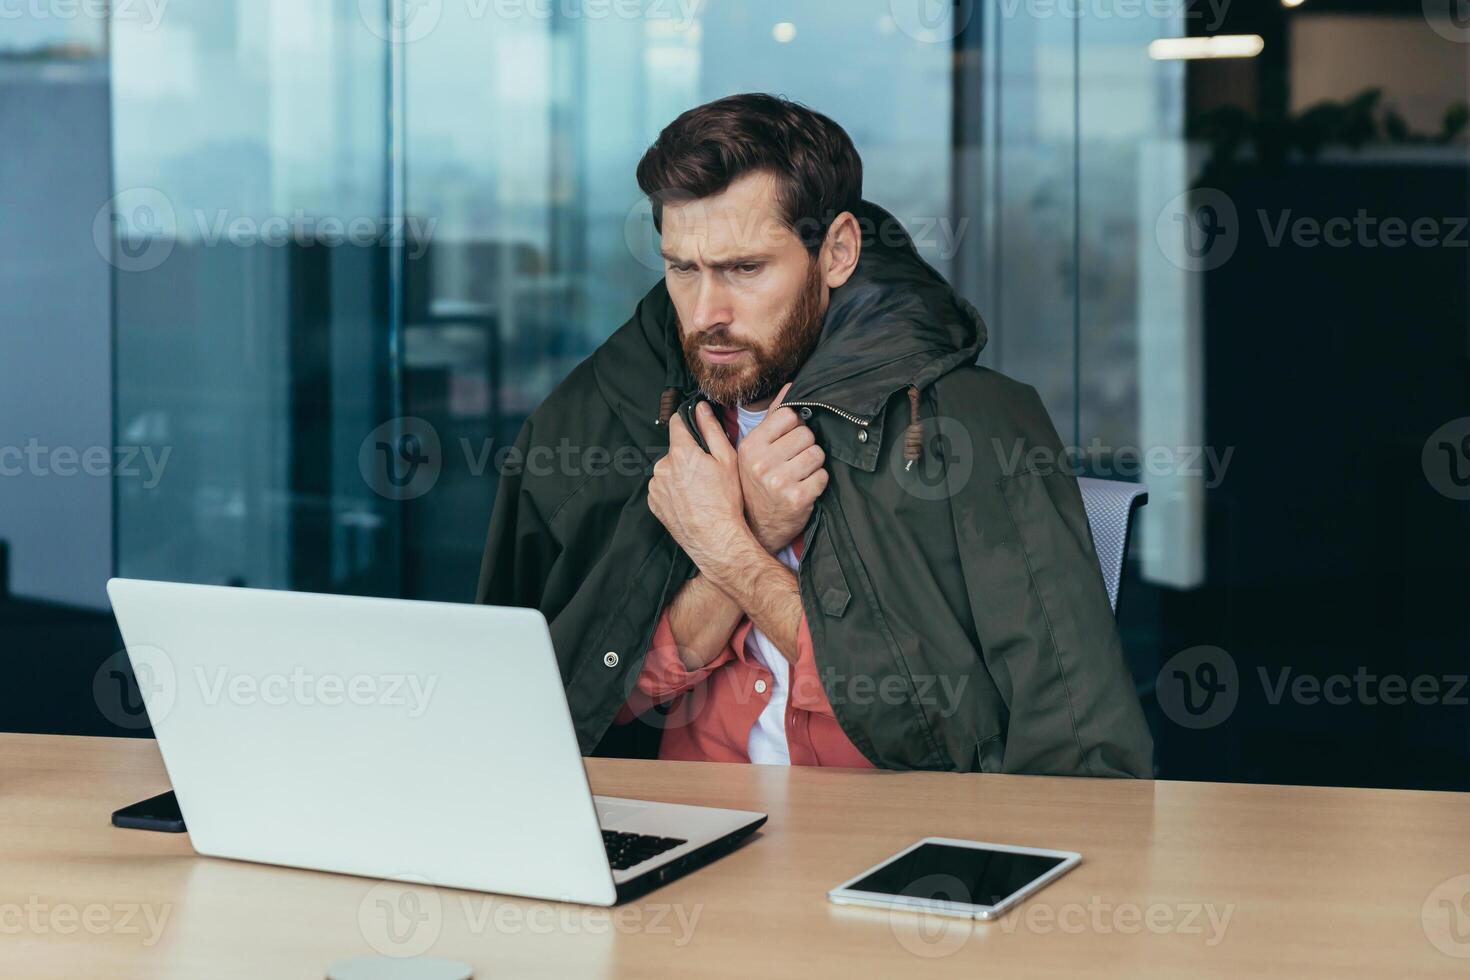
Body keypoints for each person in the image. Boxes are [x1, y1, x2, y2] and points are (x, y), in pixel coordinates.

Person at [477, 93, 1153, 776]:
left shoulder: (975, 425)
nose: (708, 311)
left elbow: (1042, 749)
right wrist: (746, 537)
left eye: (745, 269)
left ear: (836, 253)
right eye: (683, 268)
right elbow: (548, 718)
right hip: (679, 840)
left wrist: (733, 549)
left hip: (895, 851)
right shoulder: (597, 419)